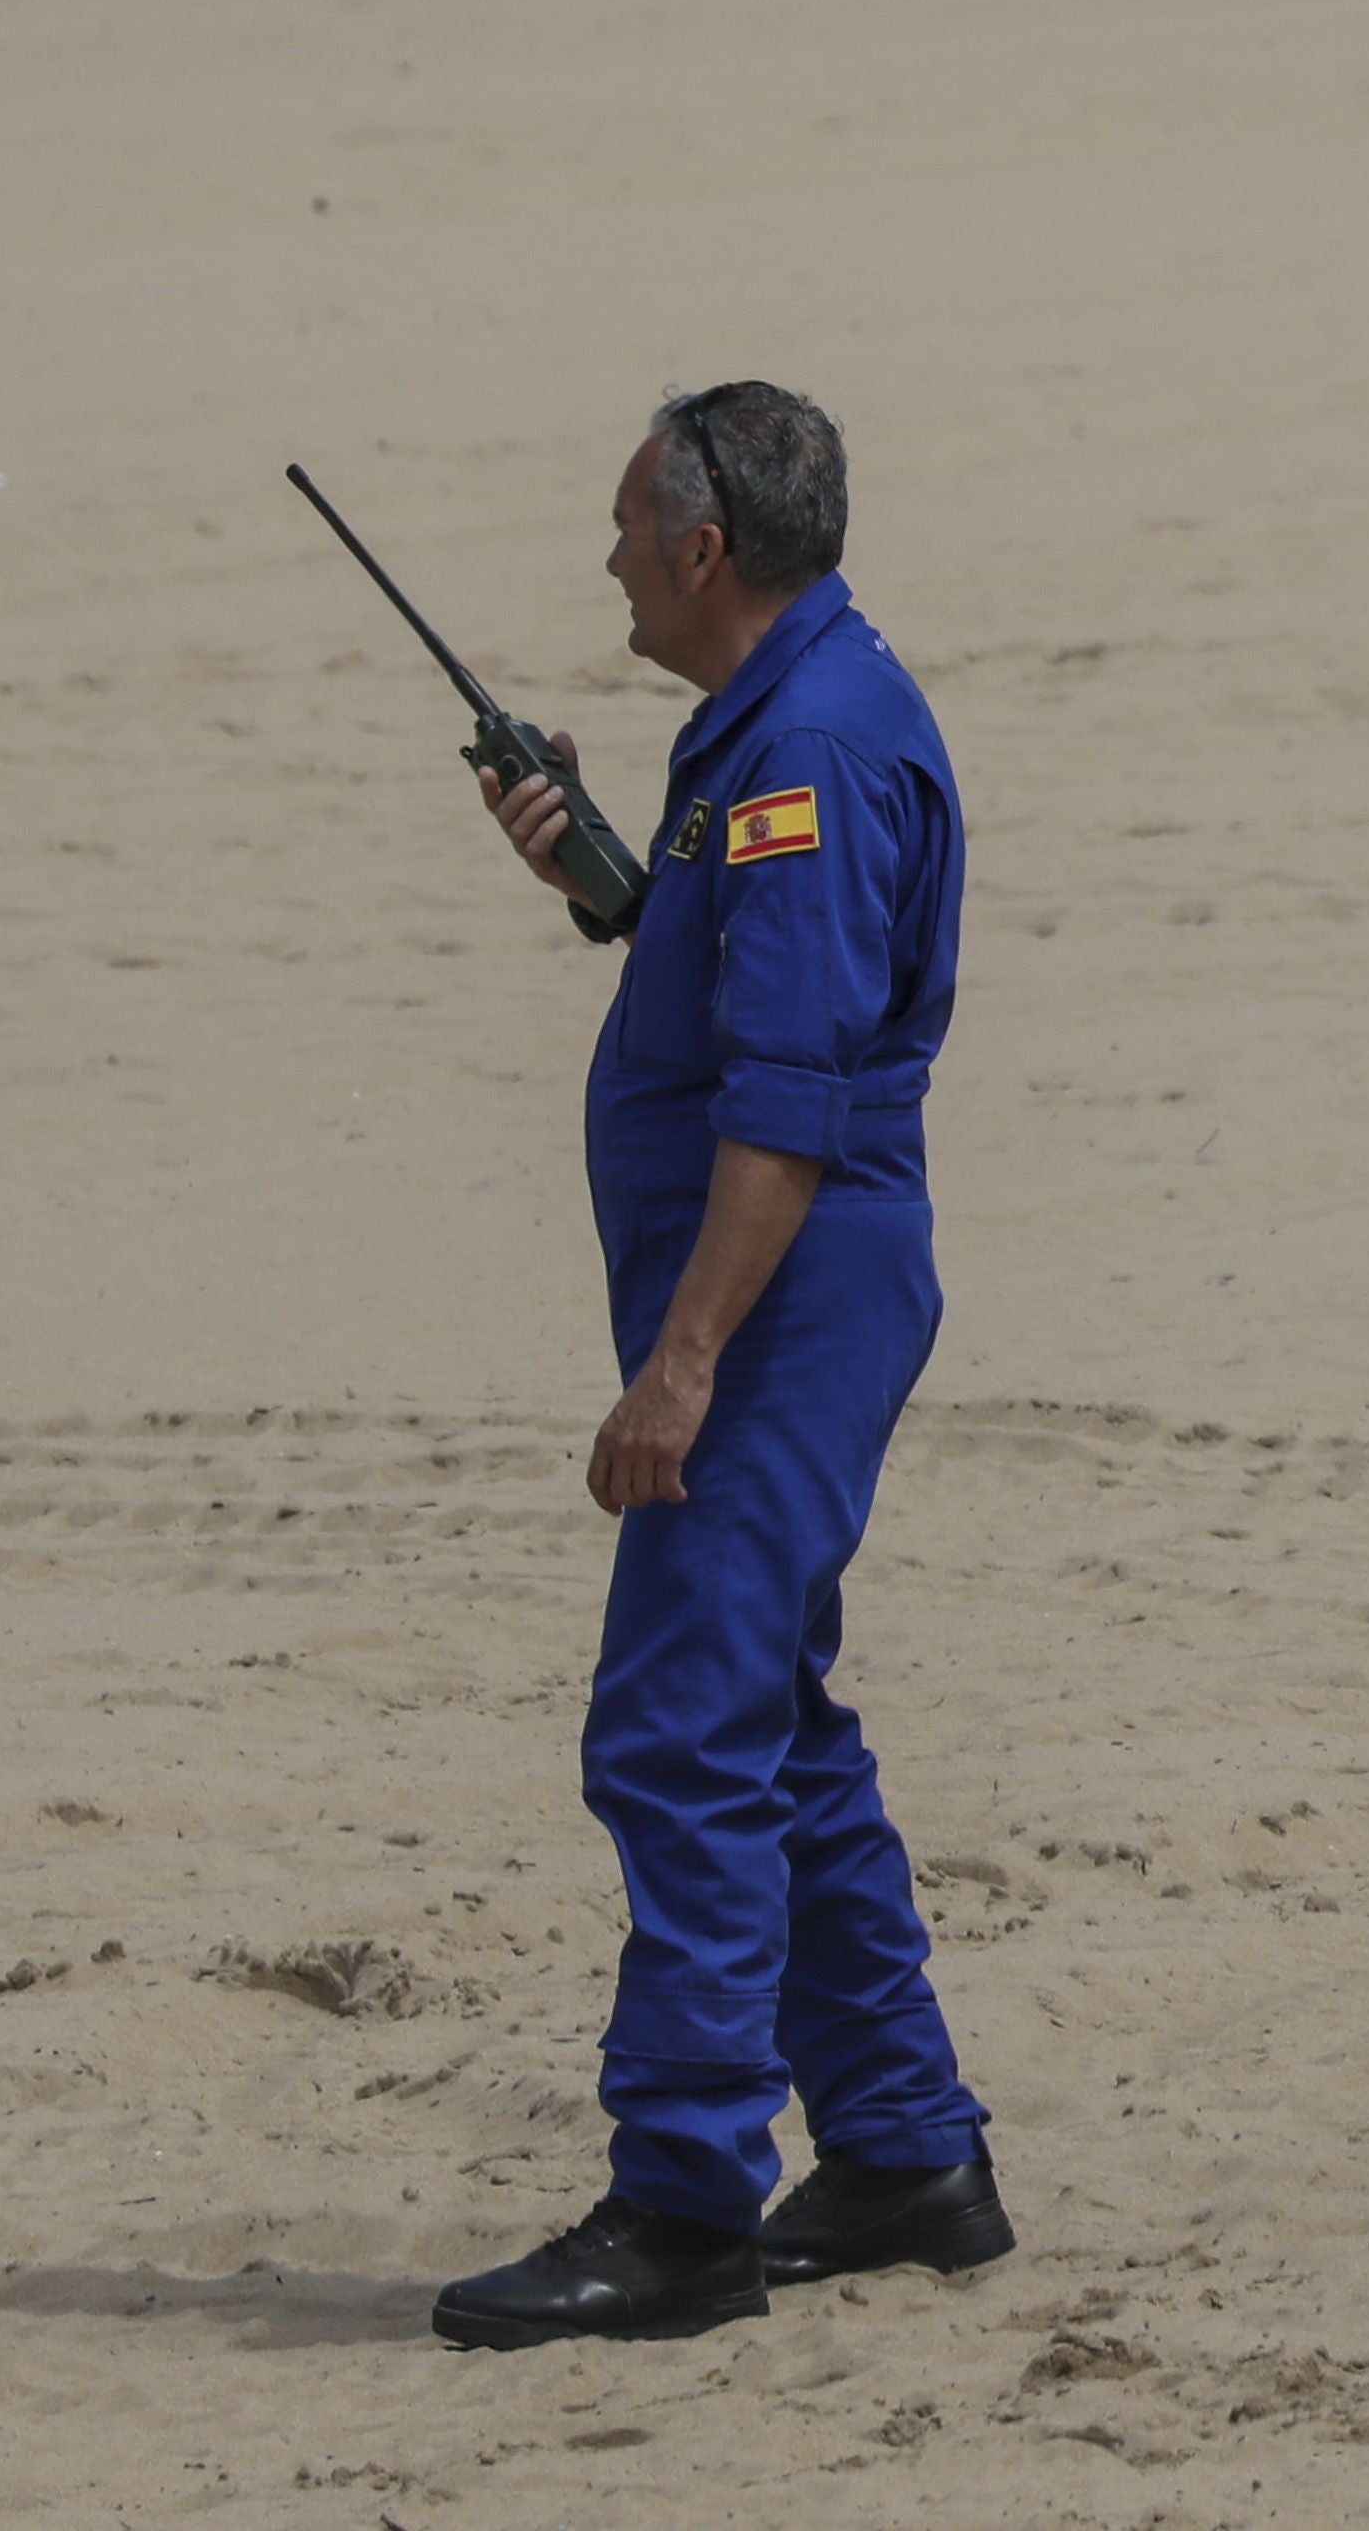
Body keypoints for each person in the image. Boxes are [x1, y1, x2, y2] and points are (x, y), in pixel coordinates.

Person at [432, 384, 1018, 2348]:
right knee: (765, 1711)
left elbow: (787, 1100)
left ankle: (682, 2204)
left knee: (675, 1729)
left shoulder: (814, 754)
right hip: (781, 1282)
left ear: (701, 549)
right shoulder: (767, 730)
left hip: (784, 1295)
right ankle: (908, 2151)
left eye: (619, 526)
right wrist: (598, 871)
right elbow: (729, 975)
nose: (601, 556)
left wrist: (682, 1364)